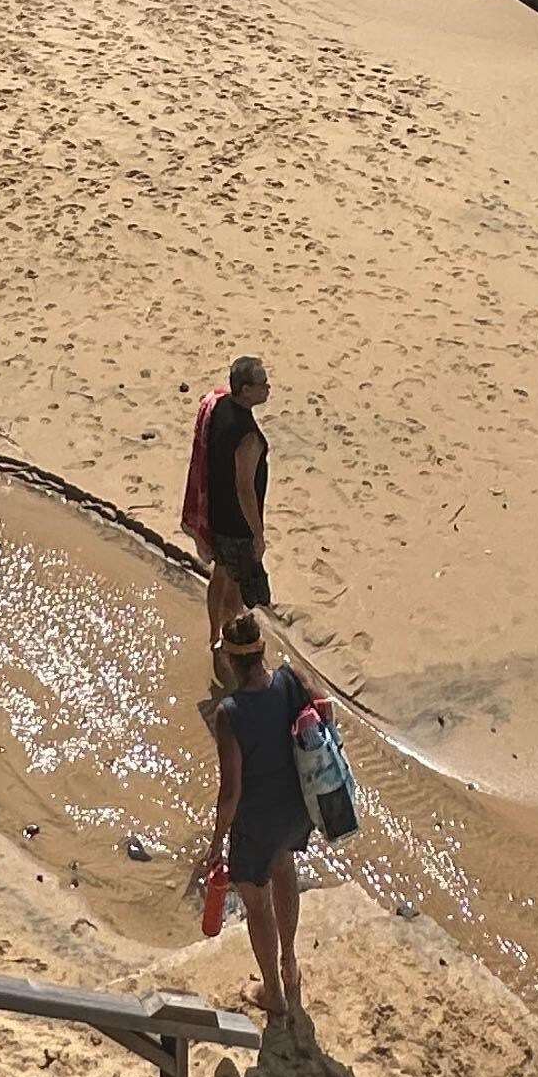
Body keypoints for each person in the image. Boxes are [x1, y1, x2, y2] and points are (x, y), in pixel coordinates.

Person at [201, 609, 318, 1029]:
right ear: (262, 649)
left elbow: (230, 791)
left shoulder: (230, 713)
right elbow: (323, 710)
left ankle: (273, 992)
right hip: (296, 807)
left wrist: (216, 842)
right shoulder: (289, 680)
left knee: (256, 900)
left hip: (257, 821)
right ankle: (290, 964)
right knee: (285, 868)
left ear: (230, 659)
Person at [184, 355, 272, 653]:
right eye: (262, 384)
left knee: (219, 574)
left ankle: (214, 636)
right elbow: (245, 487)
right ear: (246, 390)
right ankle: (236, 649)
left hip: (216, 511)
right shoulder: (249, 436)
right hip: (237, 524)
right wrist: (257, 534)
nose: (268, 388)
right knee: (235, 589)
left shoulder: (219, 406)